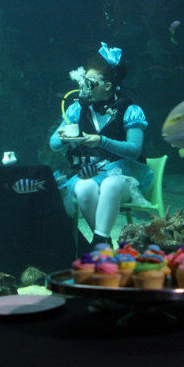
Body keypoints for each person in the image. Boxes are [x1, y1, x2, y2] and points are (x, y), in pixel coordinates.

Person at [50, 43, 153, 246]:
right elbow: (53, 143)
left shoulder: (130, 110)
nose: (84, 88)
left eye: (90, 83)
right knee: (84, 187)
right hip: (89, 171)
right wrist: (63, 138)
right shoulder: (76, 109)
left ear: (107, 85)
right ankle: (103, 242)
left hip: (124, 173)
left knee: (110, 183)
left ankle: (98, 242)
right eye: (84, 82)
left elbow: (134, 150)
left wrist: (102, 141)